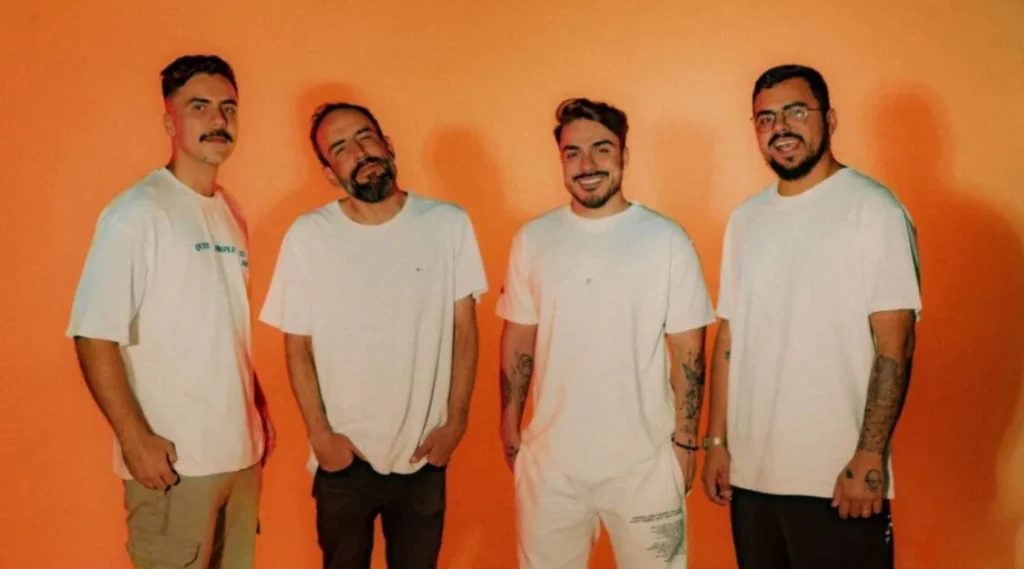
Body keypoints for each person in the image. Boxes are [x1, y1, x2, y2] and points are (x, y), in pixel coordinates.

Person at [700, 64, 922, 569]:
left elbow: (895, 345)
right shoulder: (746, 220)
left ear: (830, 119)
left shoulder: (874, 210)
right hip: (752, 479)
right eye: (765, 118)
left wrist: (870, 459)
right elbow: (730, 337)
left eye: (797, 111)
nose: (781, 127)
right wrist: (717, 442)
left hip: (837, 478)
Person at [259, 102, 487, 569]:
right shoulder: (310, 236)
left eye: (364, 136)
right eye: (339, 148)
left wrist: (456, 422)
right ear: (328, 172)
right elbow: (296, 344)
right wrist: (321, 436)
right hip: (345, 456)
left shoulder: (448, 224)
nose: (358, 151)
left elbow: (465, 329)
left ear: (388, 145)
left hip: (423, 453)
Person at [66, 54, 272, 569]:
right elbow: (93, 334)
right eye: (198, 106)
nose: (217, 120)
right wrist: (134, 439)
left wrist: (258, 411)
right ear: (169, 122)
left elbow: (221, 326)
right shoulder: (137, 213)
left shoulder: (230, 211)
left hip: (241, 457)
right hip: (175, 463)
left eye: (228, 107)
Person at [496, 97, 715, 569]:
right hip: (551, 466)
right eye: (573, 153)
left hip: (645, 464)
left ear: (624, 154)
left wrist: (685, 443)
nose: (587, 164)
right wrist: (510, 421)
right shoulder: (532, 240)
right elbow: (518, 336)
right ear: (560, 160)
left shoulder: (665, 240)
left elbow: (689, 353)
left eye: (601, 149)